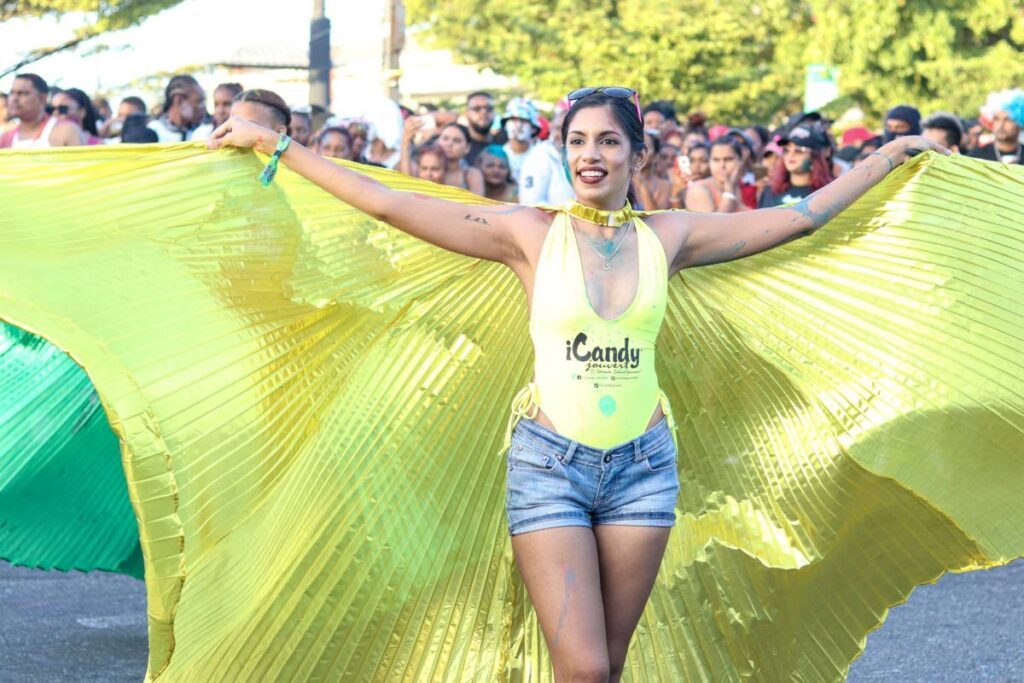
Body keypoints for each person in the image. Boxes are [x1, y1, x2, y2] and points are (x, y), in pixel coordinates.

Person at [207, 85, 948, 681]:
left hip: (644, 467)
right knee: (586, 666)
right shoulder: (528, 232)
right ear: (562, 152)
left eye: (608, 140)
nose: (590, 155)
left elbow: (800, 218)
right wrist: (279, 143)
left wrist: (888, 155)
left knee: (605, 668)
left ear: (637, 151)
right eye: (577, 141)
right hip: (550, 466)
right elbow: (387, 203)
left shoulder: (671, 236)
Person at [758, 124, 835, 208]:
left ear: (815, 156)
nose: (791, 155)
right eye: (786, 150)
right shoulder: (770, 191)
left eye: (799, 150)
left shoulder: (829, 193)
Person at [0, 73, 83, 148]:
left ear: (42, 98)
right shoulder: (5, 138)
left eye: (23, 93)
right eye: (11, 93)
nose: (14, 99)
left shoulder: (66, 131)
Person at [518, 103, 574, 206]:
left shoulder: (583, 156)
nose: (562, 135)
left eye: (567, 130)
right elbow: (531, 203)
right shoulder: (538, 156)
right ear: (551, 128)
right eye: (558, 129)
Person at [685, 136, 751, 212]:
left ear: (740, 161)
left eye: (728, 159)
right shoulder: (698, 190)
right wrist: (729, 193)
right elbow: (714, 223)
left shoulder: (750, 187)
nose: (722, 166)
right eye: (716, 160)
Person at [970, 90, 1024, 165]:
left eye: (1008, 119)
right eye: (997, 119)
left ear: (1020, 122)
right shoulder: (976, 156)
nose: (1000, 125)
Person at [148, 74, 207, 142]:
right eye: (199, 101)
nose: (203, 107)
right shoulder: (153, 132)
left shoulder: (203, 133)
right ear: (178, 100)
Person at [501, 98, 541, 182]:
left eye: (524, 121)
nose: (518, 125)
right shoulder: (499, 154)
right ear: (505, 125)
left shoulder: (545, 153)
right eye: (513, 120)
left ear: (533, 128)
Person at [464, 91, 506, 165]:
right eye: (477, 109)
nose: (483, 112)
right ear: (467, 113)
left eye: (489, 108)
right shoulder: (459, 145)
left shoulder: (505, 142)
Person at [632, 132, 671, 209]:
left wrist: (642, 185)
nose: (639, 151)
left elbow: (656, 219)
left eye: (646, 146)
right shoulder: (619, 181)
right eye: (636, 144)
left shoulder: (664, 186)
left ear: (655, 157)